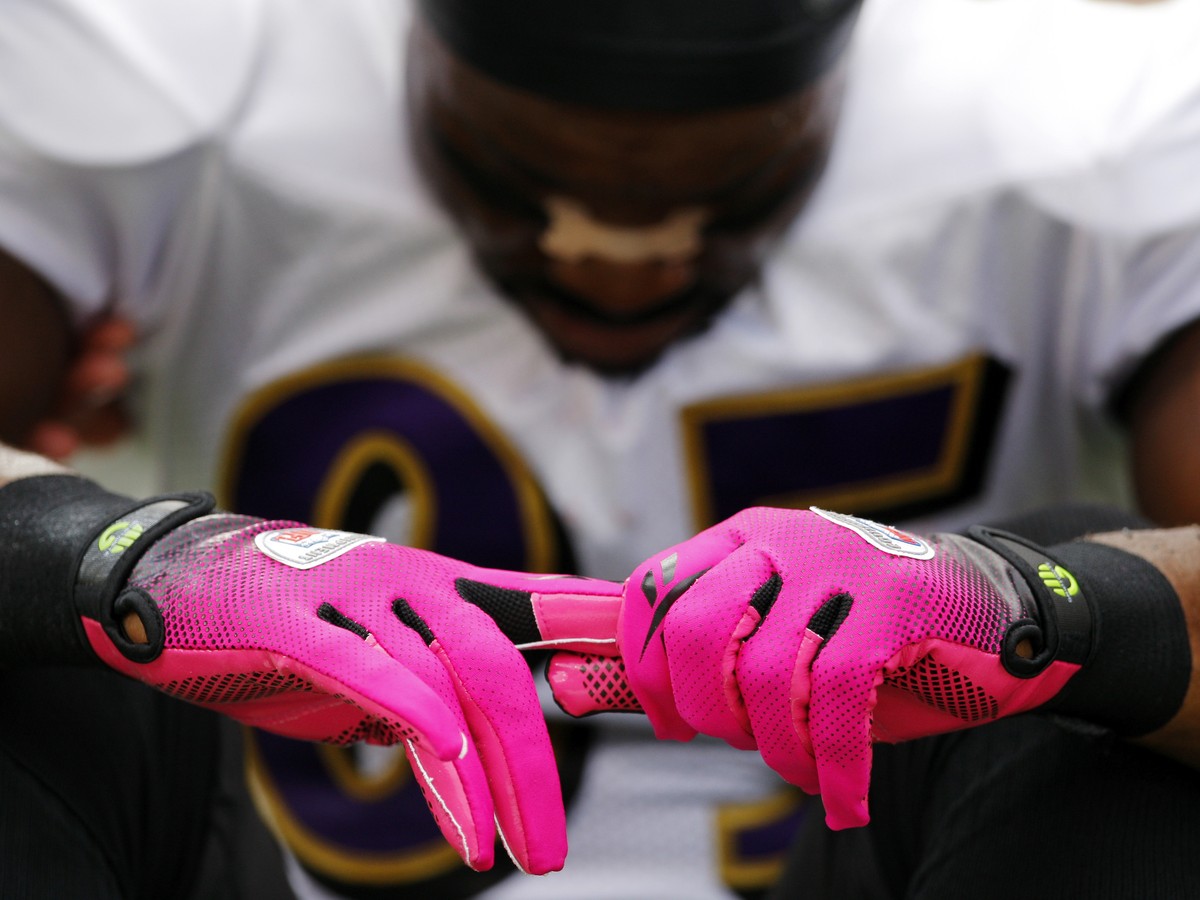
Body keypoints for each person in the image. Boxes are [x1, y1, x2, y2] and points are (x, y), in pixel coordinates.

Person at [4, 0, 1200, 896]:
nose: (611, 256)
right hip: (259, 859)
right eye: (518, 182)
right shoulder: (190, 68)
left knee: (1099, 638)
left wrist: (1040, 608)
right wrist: (130, 559)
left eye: (728, 199)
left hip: (897, 867)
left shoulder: (1084, 123)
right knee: (52, 616)